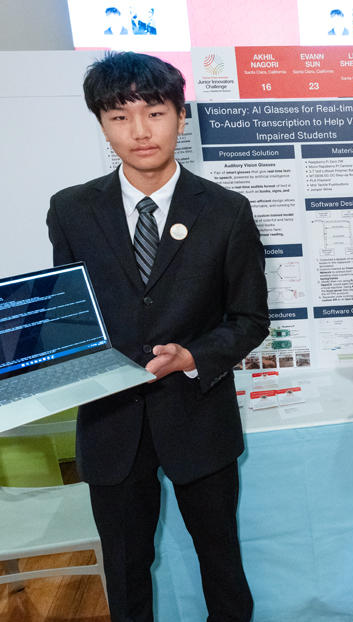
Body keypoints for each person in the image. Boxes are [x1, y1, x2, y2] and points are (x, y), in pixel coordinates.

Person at [47, 52, 268, 622]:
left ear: (181, 116)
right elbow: (73, 318)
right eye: (120, 117)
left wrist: (193, 355)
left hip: (198, 417)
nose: (140, 131)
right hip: (110, 424)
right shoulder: (71, 211)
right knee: (124, 571)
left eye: (154, 112)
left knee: (221, 562)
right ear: (101, 123)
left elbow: (250, 319)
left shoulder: (226, 212)